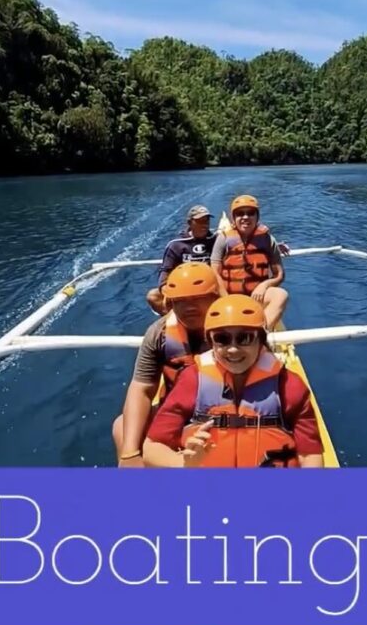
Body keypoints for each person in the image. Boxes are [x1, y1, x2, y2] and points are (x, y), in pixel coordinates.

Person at [141, 295, 334, 625]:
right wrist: (183, 463)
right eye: (223, 338)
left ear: (260, 339)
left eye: (244, 337)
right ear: (211, 340)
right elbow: (153, 446)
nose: (233, 347)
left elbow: (311, 455)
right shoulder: (192, 383)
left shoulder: (290, 387)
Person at [113, 263, 220, 467]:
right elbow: (142, 389)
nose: (189, 307)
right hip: (177, 413)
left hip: (223, 415)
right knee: (121, 427)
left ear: (214, 297)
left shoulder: (235, 332)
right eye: (180, 301)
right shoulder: (159, 333)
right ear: (170, 304)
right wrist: (130, 452)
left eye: (198, 298)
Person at [211, 195, 289, 331]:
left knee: (281, 295)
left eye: (250, 213)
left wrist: (265, 285)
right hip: (228, 295)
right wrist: (226, 299)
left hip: (257, 296)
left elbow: (280, 275)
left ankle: (260, 333)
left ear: (257, 217)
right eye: (240, 214)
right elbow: (214, 274)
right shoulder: (223, 239)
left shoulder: (267, 240)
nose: (246, 217)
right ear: (234, 218)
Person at [146, 205, 217, 315]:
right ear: (189, 223)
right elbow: (165, 270)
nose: (204, 224)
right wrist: (165, 289)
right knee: (153, 296)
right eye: (200, 221)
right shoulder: (176, 244)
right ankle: (175, 319)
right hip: (184, 289)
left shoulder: (216, 240)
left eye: (206, 220)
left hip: (208, 289)